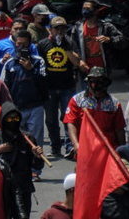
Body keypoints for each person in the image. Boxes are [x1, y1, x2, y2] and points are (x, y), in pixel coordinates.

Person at [37, 16, 81, 156]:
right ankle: (55, 146)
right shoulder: (42, 44)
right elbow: (38, 65)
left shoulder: (69, 42)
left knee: (68, 117)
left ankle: (69, 147)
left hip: (67, 86)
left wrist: (66, 48)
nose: (60, 31)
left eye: (63, 28)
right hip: (49, 87)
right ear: (50, 30)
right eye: (57, 28)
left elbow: (76, 62)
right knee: (50, 119)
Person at [0, 30, 47, 146]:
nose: (20, 47)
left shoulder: (38, 61)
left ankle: (36, 163)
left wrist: (31, 69)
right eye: (18, 43)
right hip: (16, 109)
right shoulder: (9, 63)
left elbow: (44, 82)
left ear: (29, 44)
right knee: (16, 140)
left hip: (35, 107)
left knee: (36, 142)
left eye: (24, 44)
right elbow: (3, 86)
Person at [64, 66, 126, 152]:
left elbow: (119, 129)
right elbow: (71, 123)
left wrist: (123, 151)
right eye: (93, 82)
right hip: (85, 148)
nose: (96, 86)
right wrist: (76, 144)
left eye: (100, 82)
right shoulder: (77, 100)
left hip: (108, 149)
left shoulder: (114, 104)